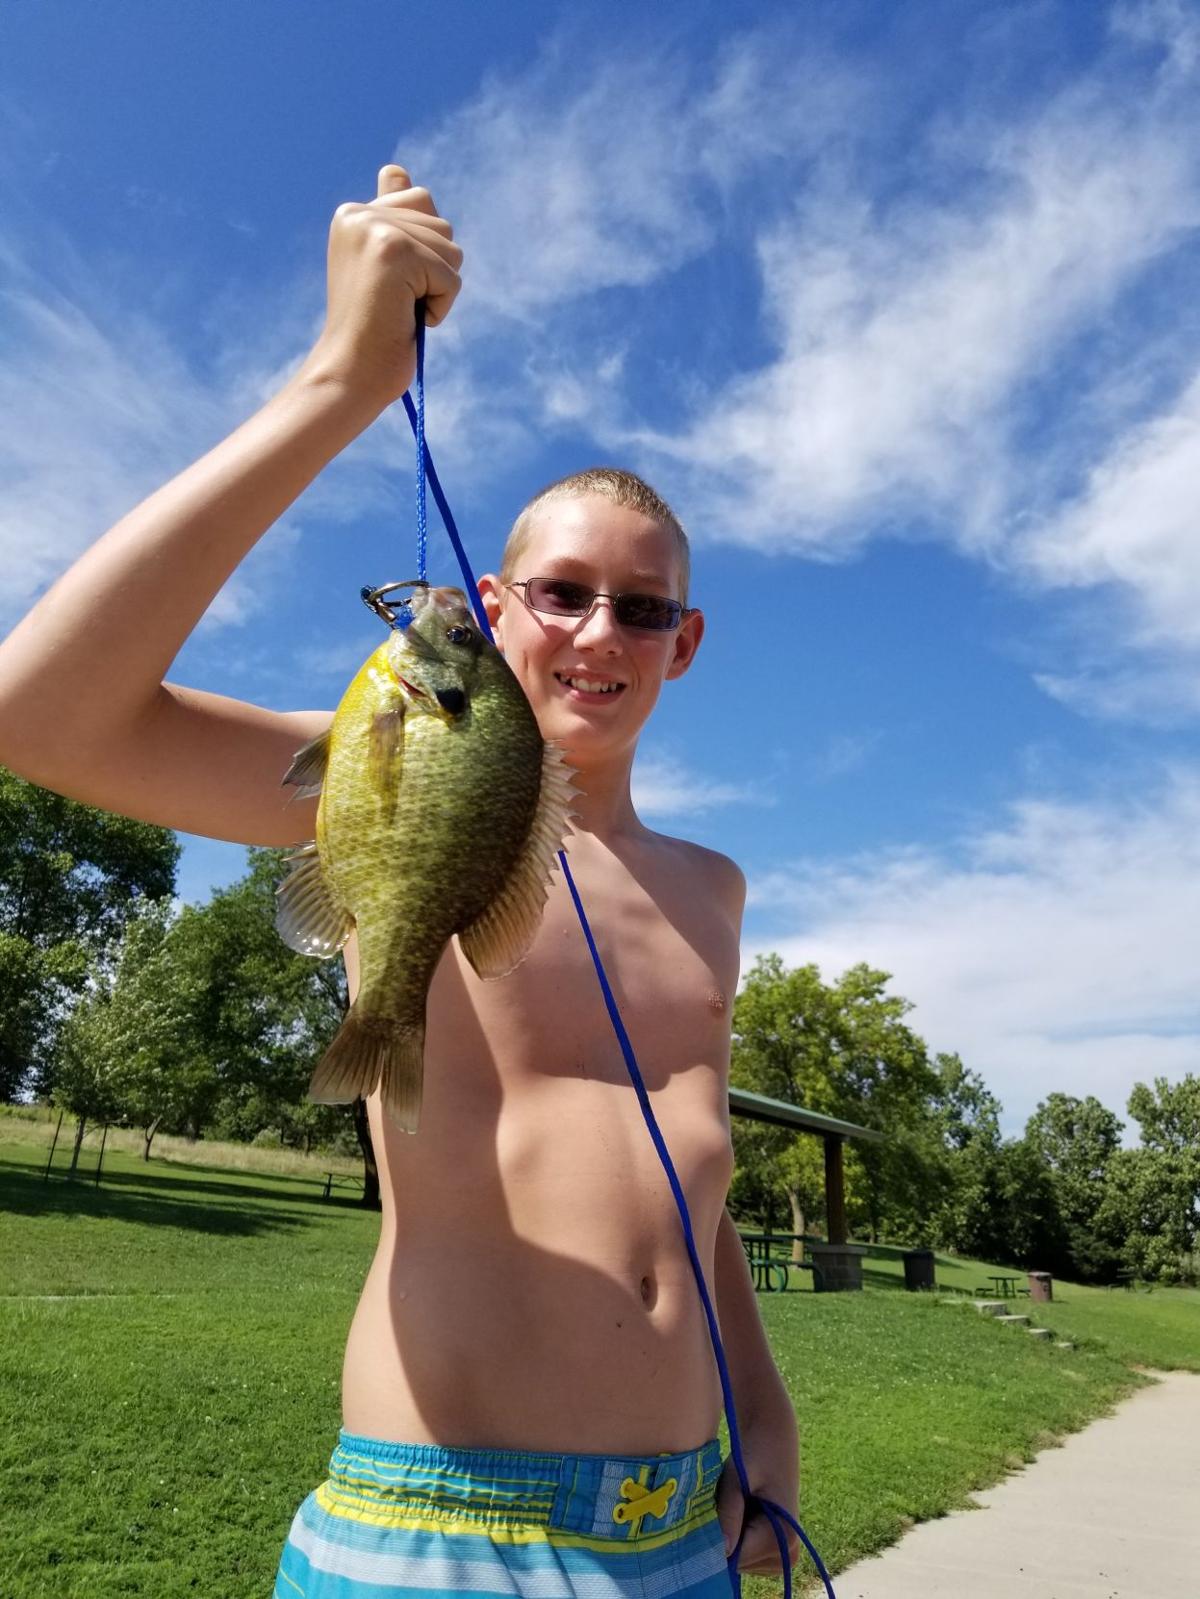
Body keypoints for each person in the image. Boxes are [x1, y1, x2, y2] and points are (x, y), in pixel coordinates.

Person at [0, 165, 801, 1597]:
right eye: (560, 591)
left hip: (685, 1538)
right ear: (495, 609)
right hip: (438, 1534)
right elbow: (41, 713)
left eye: (642, 605)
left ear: (684, 643)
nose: (596, 629)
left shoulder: (713, 891)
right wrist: (340, 381)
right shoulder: (391, 767)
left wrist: (772, 1428)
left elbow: (697, 1196)